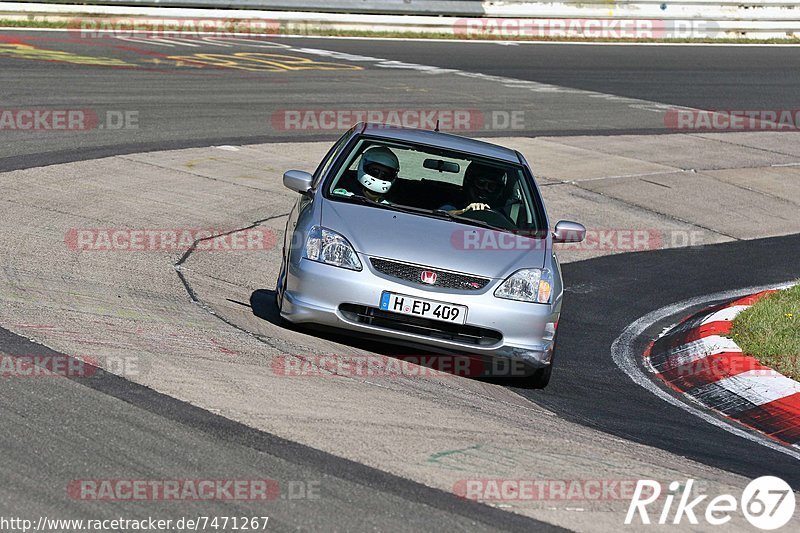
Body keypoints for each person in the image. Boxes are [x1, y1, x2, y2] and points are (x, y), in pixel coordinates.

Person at [332, 146, 399, 204]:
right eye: (374, 171)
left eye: (385, 174)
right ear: (363, 166)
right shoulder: (341, 195)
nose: (379, 176)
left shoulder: (388, 205)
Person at [442, 162, 507, 215]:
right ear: (471, 182)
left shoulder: (500, 213)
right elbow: (442, 214)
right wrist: (463, 212)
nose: (485, 189)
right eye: (481, 183)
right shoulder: (455, 202)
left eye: (491, 186)